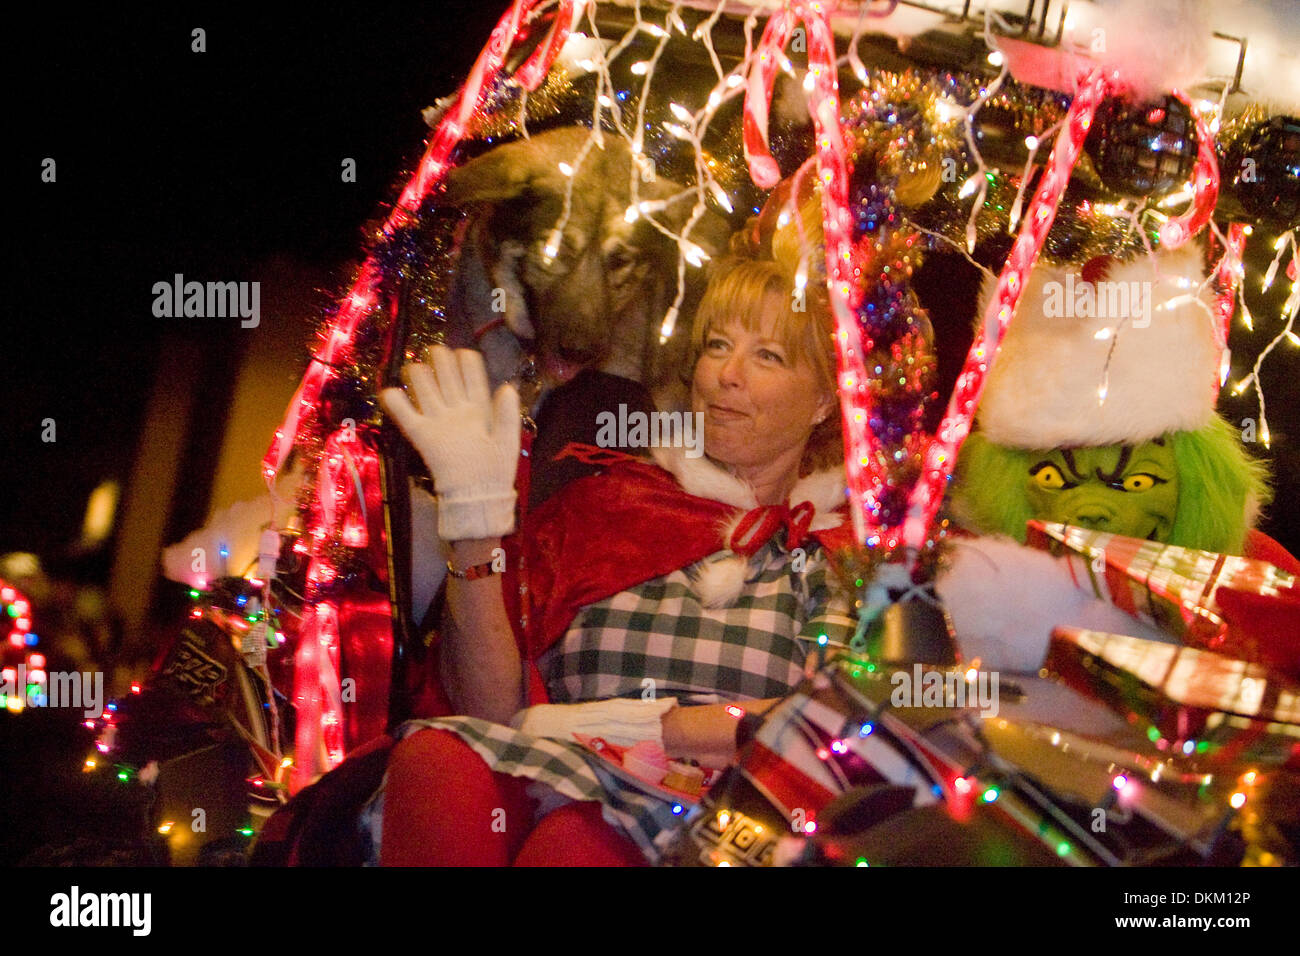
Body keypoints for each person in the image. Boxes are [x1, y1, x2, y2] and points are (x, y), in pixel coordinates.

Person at [367, 214, 859, 866]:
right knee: (435, 763)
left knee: (575, 847)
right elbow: (489, 713)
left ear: (826, 398)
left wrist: (643, 729)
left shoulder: (841, 558)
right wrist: (472, 525)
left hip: (727, 819)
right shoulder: (609, 506)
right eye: (716, 345)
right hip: (548, 776)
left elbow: (847, 730)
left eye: (766, 355)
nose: (727, 375)